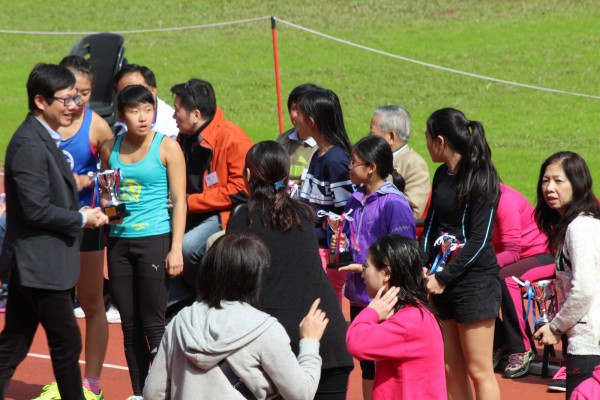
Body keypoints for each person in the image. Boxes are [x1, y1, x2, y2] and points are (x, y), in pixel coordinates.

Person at [0, 63, 108, 400]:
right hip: (39, 264)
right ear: (40, 101)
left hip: (38, 264)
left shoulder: (46, 137)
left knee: (14, 344)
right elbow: (35, 209)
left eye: (77, 97)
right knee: (67, 341)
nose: (74, 106)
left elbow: (50, 185)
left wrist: (84, 183)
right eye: (66, 99)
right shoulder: (29, 144)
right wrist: (81, 218)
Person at [227, 141, 354, 399]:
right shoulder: (304, 214)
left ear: (248, 175)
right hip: (326, 334)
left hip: (279, 347)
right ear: (286, 176)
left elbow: (232, 283)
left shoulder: (243, 219)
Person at [143, 232, 328, 400]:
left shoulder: (180, 322)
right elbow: (301, 394)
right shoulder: (265, 330)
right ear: (254, 277)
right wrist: (310, 342)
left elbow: (152, 393)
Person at [29, 55, 116, 400]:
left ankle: (91, 384)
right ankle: (62, 382)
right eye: (72, 93)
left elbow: (111, 180)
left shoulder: (98, 127)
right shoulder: (42, 125)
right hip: (51, 225)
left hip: (87, 226)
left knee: (92, 302)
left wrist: (113, 216)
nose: (77, 101)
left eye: (86, 93)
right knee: (57, 307)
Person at [100, 84, 186, 399]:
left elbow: (180, 201)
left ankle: (163, 392)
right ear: (121, 114)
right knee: (129, 325)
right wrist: (111, 212)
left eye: (148, 110)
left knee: (153, 323)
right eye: (135, 111)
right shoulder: (109, 148)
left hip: (155, 239)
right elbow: (107, 194)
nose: (143, 117)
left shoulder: (168, 147)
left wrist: (176, 248)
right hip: (120, 243)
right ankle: (139, 393)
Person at [421, 107, 501, 399]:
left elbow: (479, 239)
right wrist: (425, 264)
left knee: (479, 370)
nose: (426, 144)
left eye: (427, 138)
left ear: (440, 141)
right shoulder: (441, 174)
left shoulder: (483, 177)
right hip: (443, 277)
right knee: (451, 368)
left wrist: (443, 278)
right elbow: (431, 224)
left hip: (475, 282)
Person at [333, 135, 415, 400]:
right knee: (367, 364)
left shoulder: (393, 203)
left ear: (371, 168)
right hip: (360, 294)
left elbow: (403, 254)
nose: (349, 167)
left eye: (353, 162)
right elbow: (351, 237)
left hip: (384, 298)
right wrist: (341, 242)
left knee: (385, 365)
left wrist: (366, 269)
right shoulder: (355, 199)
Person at [170, 79, 253, 292]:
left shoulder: (233, 139)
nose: (173, 116)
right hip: (187, 208)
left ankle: (203, 296)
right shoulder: (184, 136)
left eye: (177, 110)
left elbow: (242, 190)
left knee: (188, 248)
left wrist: (190, 202)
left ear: (196, 115)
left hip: (222, 215)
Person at [533, 151, 600, 399]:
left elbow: (583, 290)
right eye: (545, 180)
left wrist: (555, 327)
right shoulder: (581, 225)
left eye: (558, 181)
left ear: (577, 184)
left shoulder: (579, 228)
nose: (549, 188)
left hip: (589, 344)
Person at [346, 235, 445, 399]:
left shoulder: (409, 321)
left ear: (386, 273)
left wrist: (371, 312)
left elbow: (356, 343)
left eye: (366, 266)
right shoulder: (415, 312)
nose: (363, 274)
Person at [297, 88, 354, 306]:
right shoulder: (318, 155)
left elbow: (345, 214)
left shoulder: (335, 161)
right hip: (313, 245)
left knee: (325, 309)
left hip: (327, 253)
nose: (295, 119)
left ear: (312, 121)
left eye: (300, 114)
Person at [492, 183, 555, 379]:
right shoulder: (468, 199)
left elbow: (513, 250)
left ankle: (521, 348)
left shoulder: (505, 199)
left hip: (542, 254)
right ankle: (499, 340)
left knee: (507, 278)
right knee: (469, 277)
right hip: (513, 258)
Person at [369, 105, 430, 219]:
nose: (368, 138)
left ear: (390, 136)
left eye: (372, 133)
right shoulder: (369, 159)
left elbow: (413, 211)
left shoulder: (414, 164)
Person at [113, 64, 178, 139]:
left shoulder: (172, 128)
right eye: (124, 93)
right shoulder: (120, 116)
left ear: (153, 91)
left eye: (137, 92)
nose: (131, 97)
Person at [276, 83, 319, 193]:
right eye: (294, 109)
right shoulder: (282, 141)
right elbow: (274, 178)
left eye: (304, 110)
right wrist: (281, 190)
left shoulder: (324, 145)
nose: (298, 116)